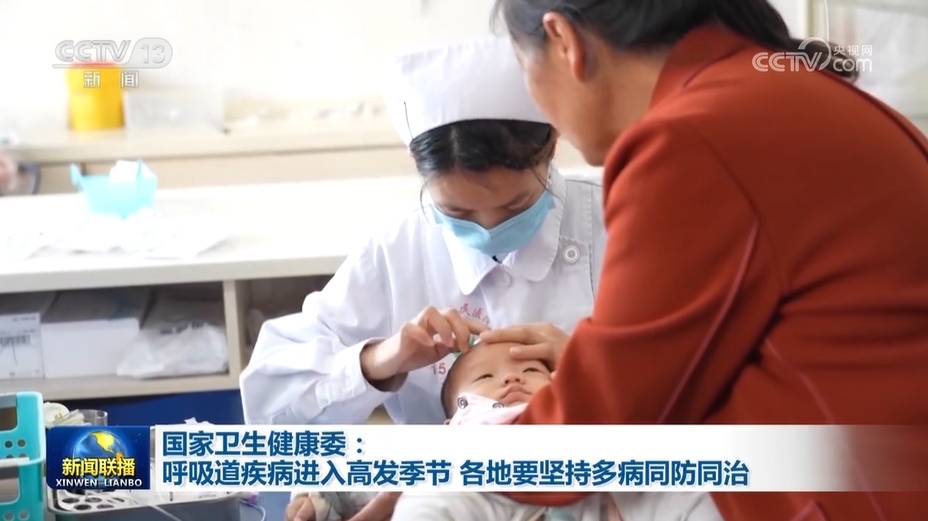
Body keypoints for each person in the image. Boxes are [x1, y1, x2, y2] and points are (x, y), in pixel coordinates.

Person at [477, 0, 928, 520]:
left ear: (563, 41)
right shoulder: (786, 91)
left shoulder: (692, 139)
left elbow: (594, 431)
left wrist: (442, 468)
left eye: (523, 66)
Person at [238, 36, 606, 519]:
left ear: (552, 144)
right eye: (457, 212)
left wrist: (602, 369)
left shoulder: (620, 221)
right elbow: (271, 409)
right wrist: (377, 362)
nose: (488, 228)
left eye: (516, 205)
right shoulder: (398, 253)